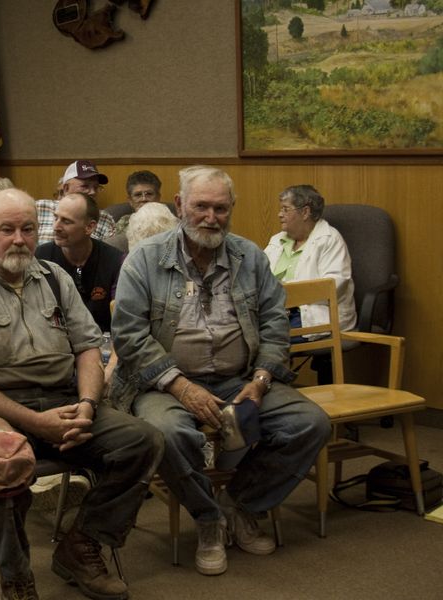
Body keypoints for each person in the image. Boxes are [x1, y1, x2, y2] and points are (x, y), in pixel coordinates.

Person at [0, 188, 163, 600]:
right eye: (7, 229)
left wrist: (87, 404)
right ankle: (16, 574)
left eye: (28, 229)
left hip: (61, 401)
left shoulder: (54, 278)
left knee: (144, 441)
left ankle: (81, 544)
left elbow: (88, 347)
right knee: (2, 460)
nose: (19, 239)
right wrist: (35, 424)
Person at [111, 166, 330, 576]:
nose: (211, 217)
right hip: (163, 382)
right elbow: (128, 335)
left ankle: (239, 506)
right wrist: (180, 386)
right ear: (179, 206)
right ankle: (208, 521)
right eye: (201, 207)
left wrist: (262, 379)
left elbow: (275, 323)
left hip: (240, 378)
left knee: (310, 423)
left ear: (231, 210)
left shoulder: (250, 257)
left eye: (221, 208)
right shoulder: (144, 259)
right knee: (171, 434)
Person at [263, 184, 356, 334]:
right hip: (275, 310)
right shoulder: (277, 240)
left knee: (267, 336)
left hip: (316, 313)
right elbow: (259, 276)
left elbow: (333, 285)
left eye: (285, 209)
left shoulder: (329, 239)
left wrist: (285, 292)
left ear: (305, 212)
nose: (279, 214)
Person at [35, 192, 123, 333]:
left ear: (89, 227)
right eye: (56, 218)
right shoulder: (40, 258)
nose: (56, 227)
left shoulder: (115, 261)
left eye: (66, 221)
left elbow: (122, 319)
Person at [36, 160, 116, 244]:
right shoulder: (40, 207)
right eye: (85, 186)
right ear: (66, 188)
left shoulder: (105, 219)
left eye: (96, 187)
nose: (93, 192)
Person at [113, 170, 163, 236]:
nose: (144, 199)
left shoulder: (170, 221)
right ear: (130, 200)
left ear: (158, 198)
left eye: (149, 194)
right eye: (138, 195)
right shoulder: (123, 223)